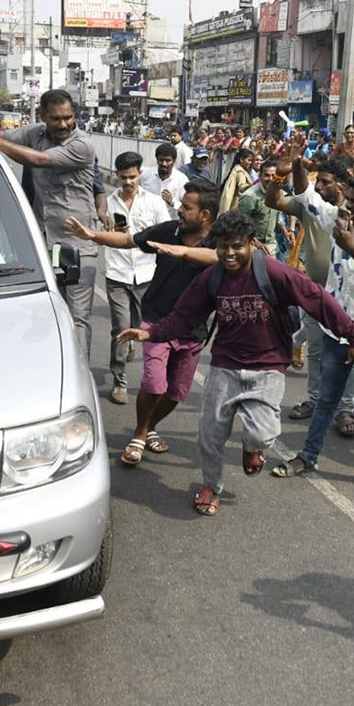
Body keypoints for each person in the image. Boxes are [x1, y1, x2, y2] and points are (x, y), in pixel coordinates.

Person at [117, 210, 354, 517]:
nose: (229, 253)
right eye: (223, 246)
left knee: (263, 434)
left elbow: (317, 299)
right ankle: (211, 486)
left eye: (237, 246)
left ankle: (253, 448)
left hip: (267, 367)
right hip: (225, 365)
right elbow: (184, 315)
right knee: (209, 437)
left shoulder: (276, 273)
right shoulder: (212, 278)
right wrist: (151, 333)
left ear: (251, 243)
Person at [64, 179, 220, 465]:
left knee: (176, 392)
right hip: (157, 321)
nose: (180, 211)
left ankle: (149, 428)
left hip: (194, 329)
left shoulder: (220, 241)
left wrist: (183, 252)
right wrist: (91, 235)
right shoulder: (169, 231)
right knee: (154, 383)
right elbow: (128, 240)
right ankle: (139, 433)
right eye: (181, 206)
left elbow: (221, 258)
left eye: (187, 207)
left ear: (205, 215)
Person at [271, 172, 354, 502]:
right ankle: (308, 457)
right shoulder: (338, 219)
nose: (349, 205)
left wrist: (351, 247)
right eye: (349, 199)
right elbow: (307, 198)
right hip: (336, 330)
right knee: (325, 402)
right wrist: (299, 162)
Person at [0, 89, 99, 357]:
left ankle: (79, 371)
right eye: (56, 118)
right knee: (43, 313)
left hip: (77, 244)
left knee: (78, 317)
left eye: (68, 118)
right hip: (43, 242)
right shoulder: (35, 133)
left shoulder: (81, 145)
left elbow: (37, 159)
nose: (64, 124)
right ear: (43, 116)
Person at [266, 149, 354, 427]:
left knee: (348, 350)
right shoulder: (310, 204)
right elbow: (274, 201)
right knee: (317, 350)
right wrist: (281, 174)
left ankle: (345, 409)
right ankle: (315, 398)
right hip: (314, 290)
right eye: (317, 181)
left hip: (348, 295)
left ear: (343, 183)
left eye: (325, 182)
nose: (318, 186)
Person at [104, 152, 170, 405]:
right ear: (117, 175)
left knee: (147, 328)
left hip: (147, 274)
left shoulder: (153, 203)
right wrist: (111, 230)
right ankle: (119, 380)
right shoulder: (108, 204)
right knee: (120, 328)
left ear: (140, 174)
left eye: (132, 177)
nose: (128, 182)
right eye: (123, 177)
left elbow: (166, 233)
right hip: (117, 273)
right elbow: (98, 234)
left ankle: (153, 376)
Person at [238, 158, 289, 257]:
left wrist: (286, 231)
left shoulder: (278, 193)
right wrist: (256, 243)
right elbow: (241, 224)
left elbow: (277, 215)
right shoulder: (249, 196)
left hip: (270, 245)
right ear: (260, 176)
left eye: (273, 176)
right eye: (266, 175)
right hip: (251, 245)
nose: (270, 179)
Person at [140, 142, 189, 220]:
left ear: (174, 161)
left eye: (168, 160)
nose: (164, 164)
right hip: (148, 223)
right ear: (156, 160)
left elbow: (187, 207)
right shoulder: (145, 175)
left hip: (170, 224)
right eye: (161, 160)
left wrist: (172, 202)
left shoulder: (182, 180)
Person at [220, 147, 256, 214]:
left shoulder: (237, 169)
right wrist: (253, 186)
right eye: (249, 160)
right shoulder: (240, 172)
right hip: (236, 207)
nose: (250, 163)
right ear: (241, 159)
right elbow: (242, 187)